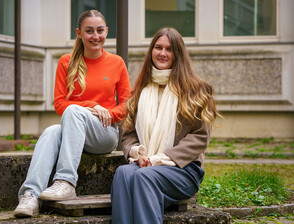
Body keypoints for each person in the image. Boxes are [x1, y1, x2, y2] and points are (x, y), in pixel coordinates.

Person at [13, 9, 131, 217]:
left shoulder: (117, 62)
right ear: (78, 33)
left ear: (106, 31)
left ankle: (66, 181)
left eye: (100, 30)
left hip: (104, 133)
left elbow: (126, 105)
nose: (96, 36)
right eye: (89, 31)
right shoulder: (66, 62)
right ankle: (30, 195)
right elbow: (59, 103)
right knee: (51, 131)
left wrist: (108, 114)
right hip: (74, 130)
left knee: (74, 110)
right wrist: (92, 105)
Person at [110, 27, 221, 224]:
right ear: (151, 51)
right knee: (123, 173)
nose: (162, 53)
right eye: (158, 47)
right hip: (146, 164)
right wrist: (138, 152)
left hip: (183, 169)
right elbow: (128, 134)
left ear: (177, 54)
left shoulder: (195, 89)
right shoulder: (141, 90)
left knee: (144, 177)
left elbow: (200, 137)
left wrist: (161, 159)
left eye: (169, 49)